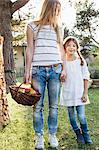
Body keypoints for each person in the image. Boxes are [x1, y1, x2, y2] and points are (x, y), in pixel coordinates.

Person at [24, 0, 66, 149]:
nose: (57, 13)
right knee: (37, 106)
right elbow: (29, 49)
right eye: (56, 10)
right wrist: (27, 70)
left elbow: (62, 50)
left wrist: (64, 68)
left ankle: (52, 135)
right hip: (38, 71)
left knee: (54, 106)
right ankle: (39, 136)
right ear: (49, 8)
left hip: (55, 70)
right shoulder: (32, 26)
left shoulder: (58, 28)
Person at [60, 36, 93, 145]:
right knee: (72, 117)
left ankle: (86, 134)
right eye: (68, 45)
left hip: (79, 93)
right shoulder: (62, 62)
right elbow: (60, 77)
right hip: (68, 93)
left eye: (74, 46)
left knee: (81, 116)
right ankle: (78, 134)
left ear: (77, 48)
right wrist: (61, 77)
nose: (71, 48)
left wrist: (85, 93)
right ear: (64, 47)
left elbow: (85, 77)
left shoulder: (80, 61)